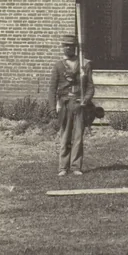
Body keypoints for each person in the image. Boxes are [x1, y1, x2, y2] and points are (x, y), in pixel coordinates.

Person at [49, 33, 96, 176]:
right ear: (62, 47)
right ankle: (63, 167)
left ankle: (76, 166)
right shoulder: (58, 66)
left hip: (79, 104)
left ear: (75, 47)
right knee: (65, 136)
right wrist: (52, 107)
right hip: (65, 104)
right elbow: (52, 88)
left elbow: (90, 87)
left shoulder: (84, 65)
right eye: (65, 46)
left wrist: (85, 100)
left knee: (78, 136)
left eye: (70, 46)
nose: (68, 48)